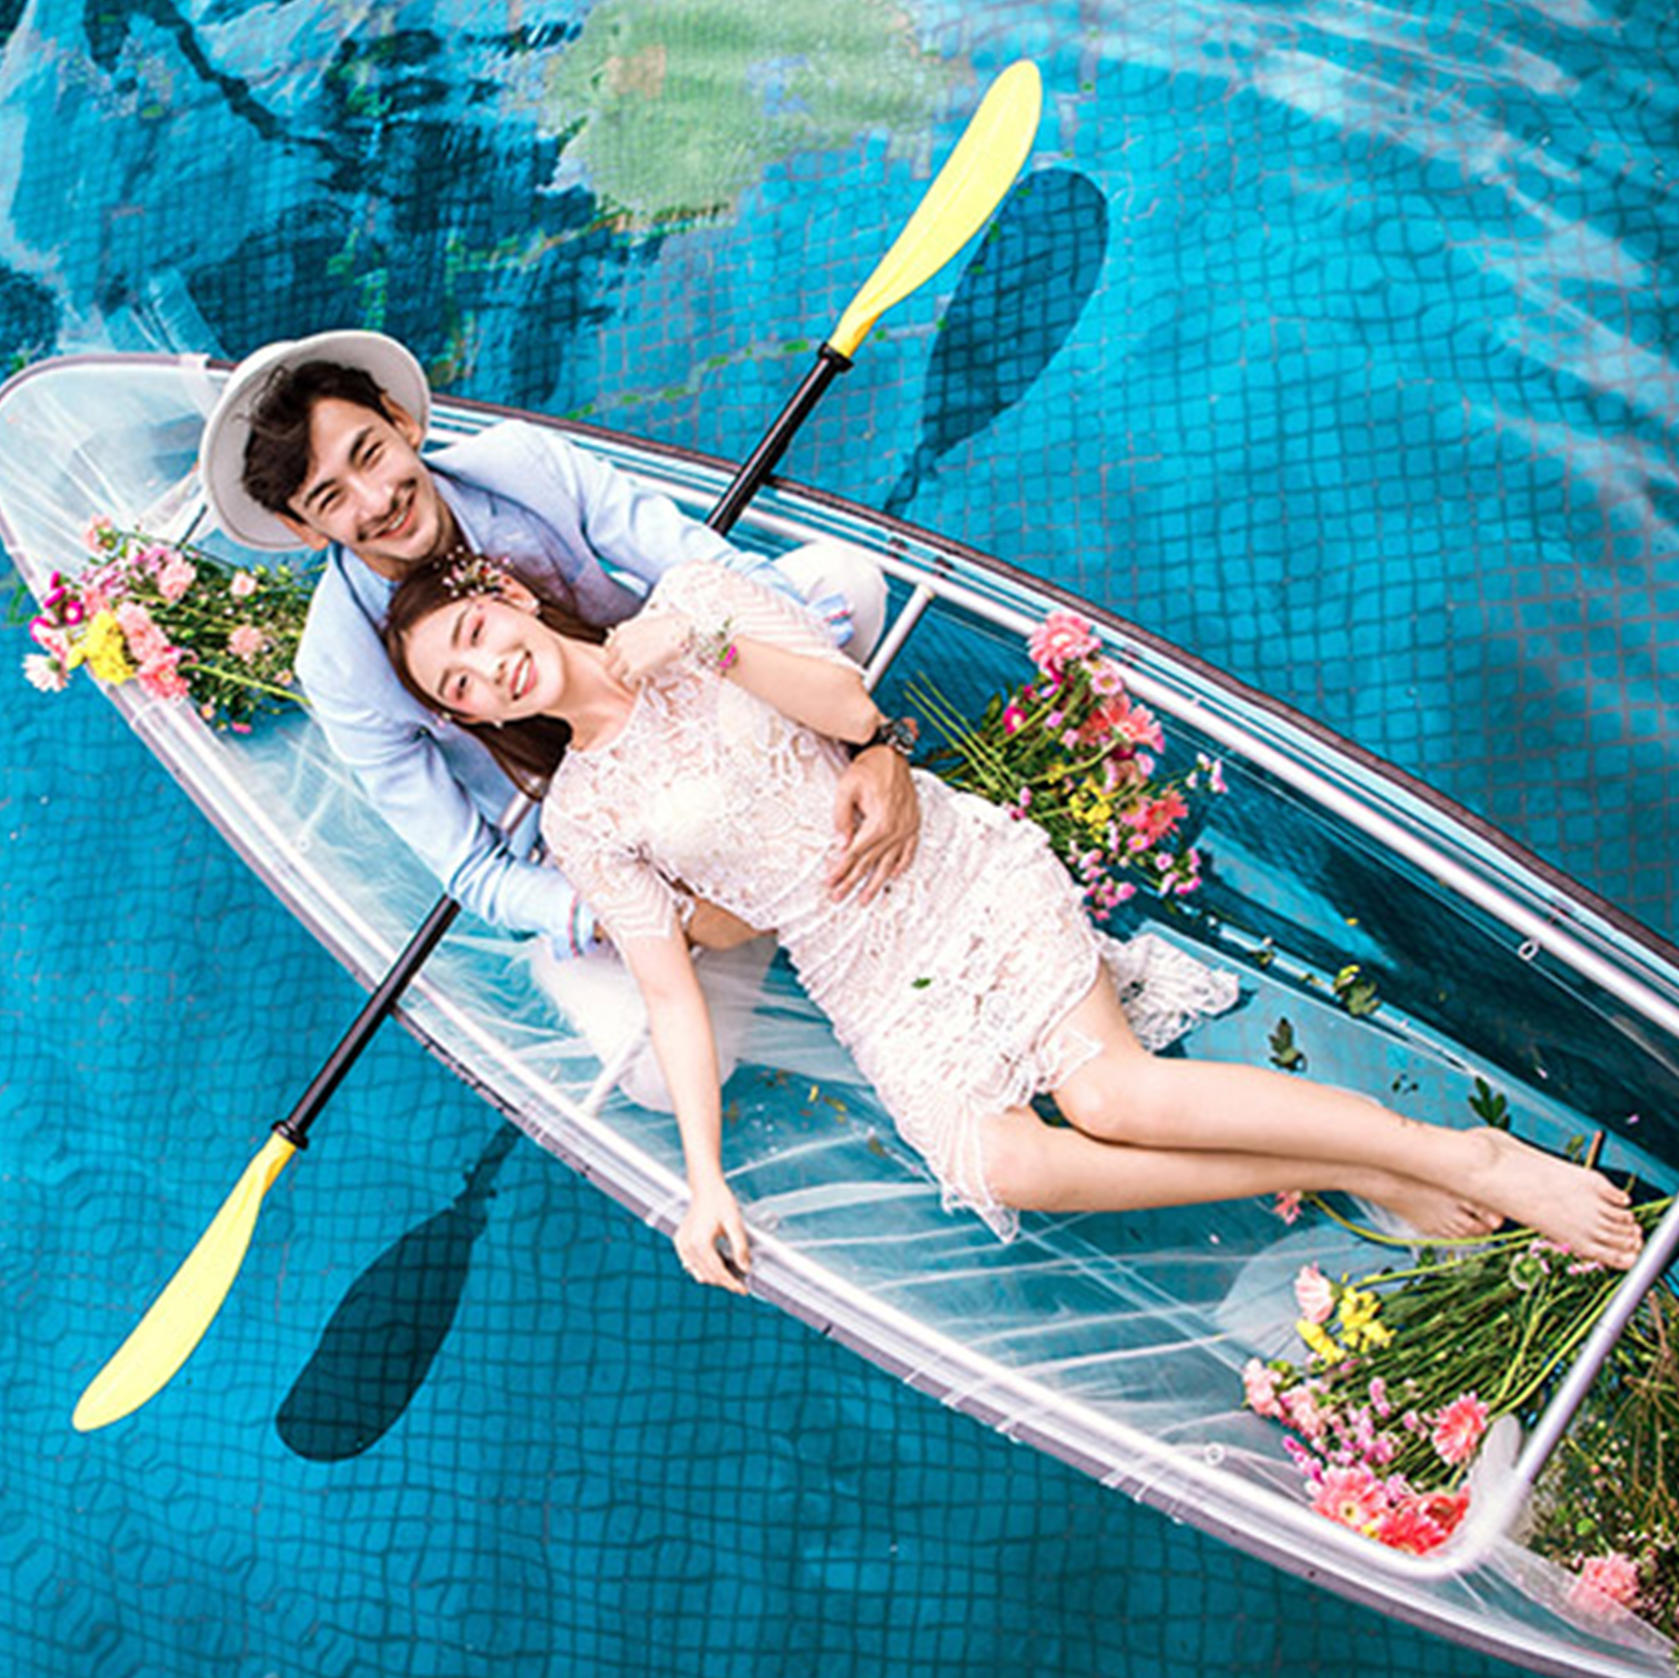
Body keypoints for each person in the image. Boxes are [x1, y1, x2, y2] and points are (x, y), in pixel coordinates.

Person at [381, 552, 1647, 1293]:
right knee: (1002, 1167)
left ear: (508, 593)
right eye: (460, 684)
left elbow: (848, 710)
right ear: (464, 716)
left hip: (948, 869)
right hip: (857, 966)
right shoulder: (584, 816)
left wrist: (697, 643)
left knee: (1110, 1097)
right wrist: (699, 1184)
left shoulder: (694, 596)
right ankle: (1347, 1164)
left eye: (478, 635)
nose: (489, 671)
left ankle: (1458, 1156)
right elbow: (668, 989)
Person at [199, 329, 919, 963]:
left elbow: (710, 566)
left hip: (680, 694)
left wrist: (873, 742)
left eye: (370, 454)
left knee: (844, 582)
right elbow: (472, 869)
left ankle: (827, 792)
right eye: (330, 499)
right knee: (636, 1050)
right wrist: (660, 915)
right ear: (303, 529)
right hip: (597, 827)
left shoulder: (522, 463)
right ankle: (760, 911)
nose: (376, 501)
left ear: (401, 420)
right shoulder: (338, 666)